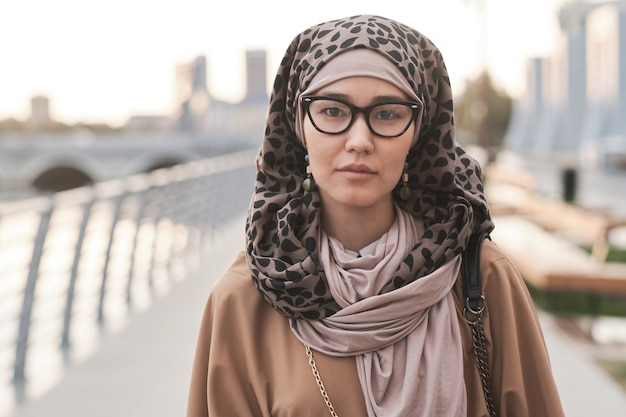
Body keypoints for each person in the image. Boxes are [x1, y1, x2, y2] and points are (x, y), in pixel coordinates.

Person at [187, 14, 565, 417]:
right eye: (333, 111)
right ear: (299, 126)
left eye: (387, 114)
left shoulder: (479, 279)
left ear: (417, 132)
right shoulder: (244, 299)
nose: (360, 141)